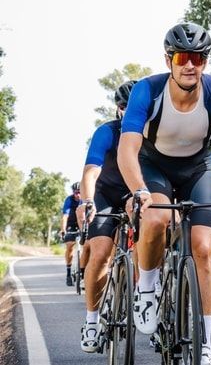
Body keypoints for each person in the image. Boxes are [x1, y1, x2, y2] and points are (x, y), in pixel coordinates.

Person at [118, 22, 211, 365]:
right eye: (183, 57)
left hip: (198, 169)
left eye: (199, 58)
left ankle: (204, 344)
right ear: (169, 60)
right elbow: (127, 150)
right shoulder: (147, 90)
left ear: (205, 61)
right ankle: (147, 288)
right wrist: (140, 191)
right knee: (157, 218)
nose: (191, 64)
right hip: (155, 166)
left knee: (204, 248)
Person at [77, 80, 137, 352]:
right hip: (106, 195)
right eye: (124, 106)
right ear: (118, 108)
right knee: (100, 252)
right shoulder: (107, 132)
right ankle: (91, 321)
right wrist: (87, 200)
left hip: (137, 194)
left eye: (133, 106)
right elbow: (91, 171)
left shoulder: (151, 133)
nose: (128, 110)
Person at [59, 181, 83, 287]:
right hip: (71, 224)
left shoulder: (85, 200)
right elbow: (65, 216)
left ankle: (83, 272)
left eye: (79, 192)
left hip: (83, 224)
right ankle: (68, 273)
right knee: (69, 246)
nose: (77, 195)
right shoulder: (69, 200)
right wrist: (63, 229)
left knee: (87, 247)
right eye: (75, 192)